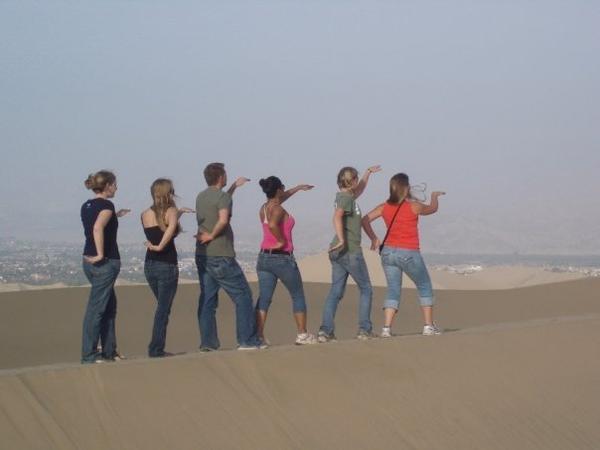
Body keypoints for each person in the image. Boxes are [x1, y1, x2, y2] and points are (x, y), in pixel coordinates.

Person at [362, 173, 445, 337]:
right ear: (406, 188)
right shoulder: (414, 206)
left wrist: (373, 238)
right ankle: (428, 326)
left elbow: (364, 220)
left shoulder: (384, 206)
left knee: (393, 289)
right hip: (408, 251)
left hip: (388, 253)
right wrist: (434, 196)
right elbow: (432, 209)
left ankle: (386, 328)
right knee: (424, 286)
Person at [195, 163, 263, 351]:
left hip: (203, 254)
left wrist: (233, 187)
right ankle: (247, 340)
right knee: (243, 296)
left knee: (208, 299)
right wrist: (212, 235)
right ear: (220, 177)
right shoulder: (223, 197)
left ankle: (208, 343)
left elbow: (220, 204)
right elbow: (223, 219)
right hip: (221, 254)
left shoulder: (201, 196)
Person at [318, 165, 381, 343]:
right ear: (350, 181)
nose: (357, 182)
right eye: (356, 178)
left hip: (339, 253)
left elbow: (360, 188)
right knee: (366, 289)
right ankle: (364, 329)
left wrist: (368, 173)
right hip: (350, 251)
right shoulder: (346, 199)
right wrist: (341, 239)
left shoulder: (346, 196)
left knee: (336, 292)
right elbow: (336, 217)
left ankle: (326, 331)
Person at [255, 176, 317, 345]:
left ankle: (258, 336)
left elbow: (281, 198)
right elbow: (274, 225)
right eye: (283, 188)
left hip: (264, 258)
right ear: (278, 190)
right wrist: (281, 241)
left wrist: (297, 188)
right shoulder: (278, 210)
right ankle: (302, 334)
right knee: (297, 295)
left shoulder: (264, 208)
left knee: (264, 298)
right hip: (281, 258)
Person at [80, 170, 130, 364]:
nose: (116, 187)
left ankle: (109, 351)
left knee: (108, 306)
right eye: (115, 184)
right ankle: (89, 355)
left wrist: (115, 216)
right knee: (97, 309)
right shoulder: (107, 205)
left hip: (88, 261)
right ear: (107, 185)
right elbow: (97, 227)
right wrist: (101, 253)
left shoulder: (88, 205)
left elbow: (97, 222)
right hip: (104, 262)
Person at [142, 178, 194, 357]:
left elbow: (161, 228)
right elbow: (170, 229)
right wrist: (160, 246)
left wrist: (179, 213)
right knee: (163, 310)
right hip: (166, 265)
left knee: (162, 308)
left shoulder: (145, 213)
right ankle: (156, 349)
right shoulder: (170, 210)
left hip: (150, 265)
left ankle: (156, 348)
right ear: (167, 192)